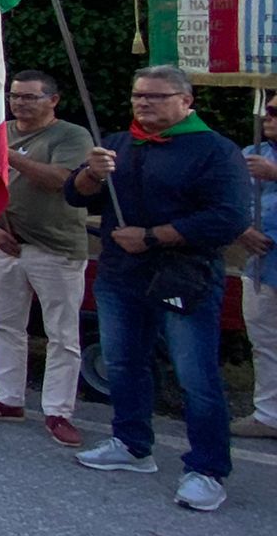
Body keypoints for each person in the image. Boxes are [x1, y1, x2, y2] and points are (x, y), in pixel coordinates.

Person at [66, 65, 251, 512]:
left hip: (184, 275)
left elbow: (228, 218)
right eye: (137, 96)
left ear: (186, 102)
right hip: (120, 273)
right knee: (124, 362)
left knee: (195, 375)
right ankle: (131, 444)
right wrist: (90, 174)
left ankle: (207, 469)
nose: (144, 103)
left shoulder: (214, 151)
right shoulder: (117, 144)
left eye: (156, 96)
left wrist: (154, 236)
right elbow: (77, 195)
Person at [0, 70, 93, 444]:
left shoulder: (70, 136)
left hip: (55, 246)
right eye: (15, 96)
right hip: (5, 242)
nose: (19, 103)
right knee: (5, 325)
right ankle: (8, 398)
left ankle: (58, 411)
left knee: (62, 333)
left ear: (53, 100)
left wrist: (7, 156)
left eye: (29, 97)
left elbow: (62, 181)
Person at [237, 104, 277, 440]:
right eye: (267, 110)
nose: (268, 117)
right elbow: (231, 197)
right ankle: (268, 415)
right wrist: (241, 228)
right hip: (264, 264)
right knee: (264, 343)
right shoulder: (253, 153)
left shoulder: (265, 162)